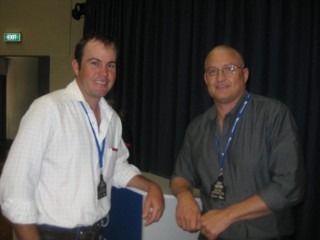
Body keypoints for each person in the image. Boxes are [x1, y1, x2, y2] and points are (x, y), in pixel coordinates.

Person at [0, 33, 164, 240]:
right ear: (76, 67)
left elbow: (117, 167)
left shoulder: (112, 119)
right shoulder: (48, 109)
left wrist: (152, 186)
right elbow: (15, 189)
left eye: (110, 65)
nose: (104, 73)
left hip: (96, 232)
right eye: (95, 63)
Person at [170, 45, 305, 240]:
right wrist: (184, 196)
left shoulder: (273, 115)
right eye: (212, 71)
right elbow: (181, 175)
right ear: (206, 79)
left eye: (229, 69)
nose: (220, 77)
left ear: (245, 74)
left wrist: (228, 215)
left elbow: (289, 185)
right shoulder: (196, 128)